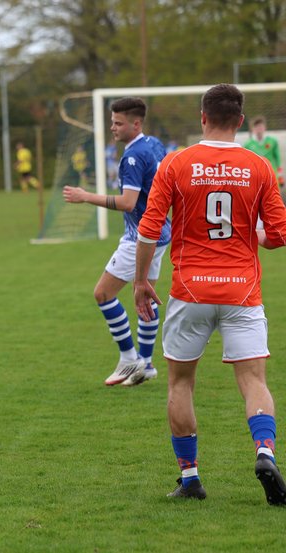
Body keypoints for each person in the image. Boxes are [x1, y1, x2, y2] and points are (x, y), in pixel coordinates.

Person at [134, 84, 286, 504]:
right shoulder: (259, 167)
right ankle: (264, 451)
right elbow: (278, 234)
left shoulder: (176, 162)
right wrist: (247, 237)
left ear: (203, 117)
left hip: (190, 292)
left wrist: (141, 281)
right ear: (239, 121)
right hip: (242, 292)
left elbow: (149, 228)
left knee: (181, 383)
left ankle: (191, 478)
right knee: (253, 379)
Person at [63, 97, 170, 386]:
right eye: (112, 121)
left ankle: (128, 358)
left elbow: (127, 202)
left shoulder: (133, 156)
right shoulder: (155, 145)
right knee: (146, 298)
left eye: (118, 123)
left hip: (140, 237)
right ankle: (146, 364)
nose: (113, 127)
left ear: (136, 124)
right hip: (159, 232)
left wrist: (85, 197)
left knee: (103, 294)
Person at [244, 115, 282, 186]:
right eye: (257, 127)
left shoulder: (272, 141)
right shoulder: (248, 145)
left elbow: (278, 158)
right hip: (255, 175)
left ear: (265, 127)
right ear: (253, 129)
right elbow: (245, 162)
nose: (259, 129)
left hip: (271, 174)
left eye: (261, 126)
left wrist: (280, 175)